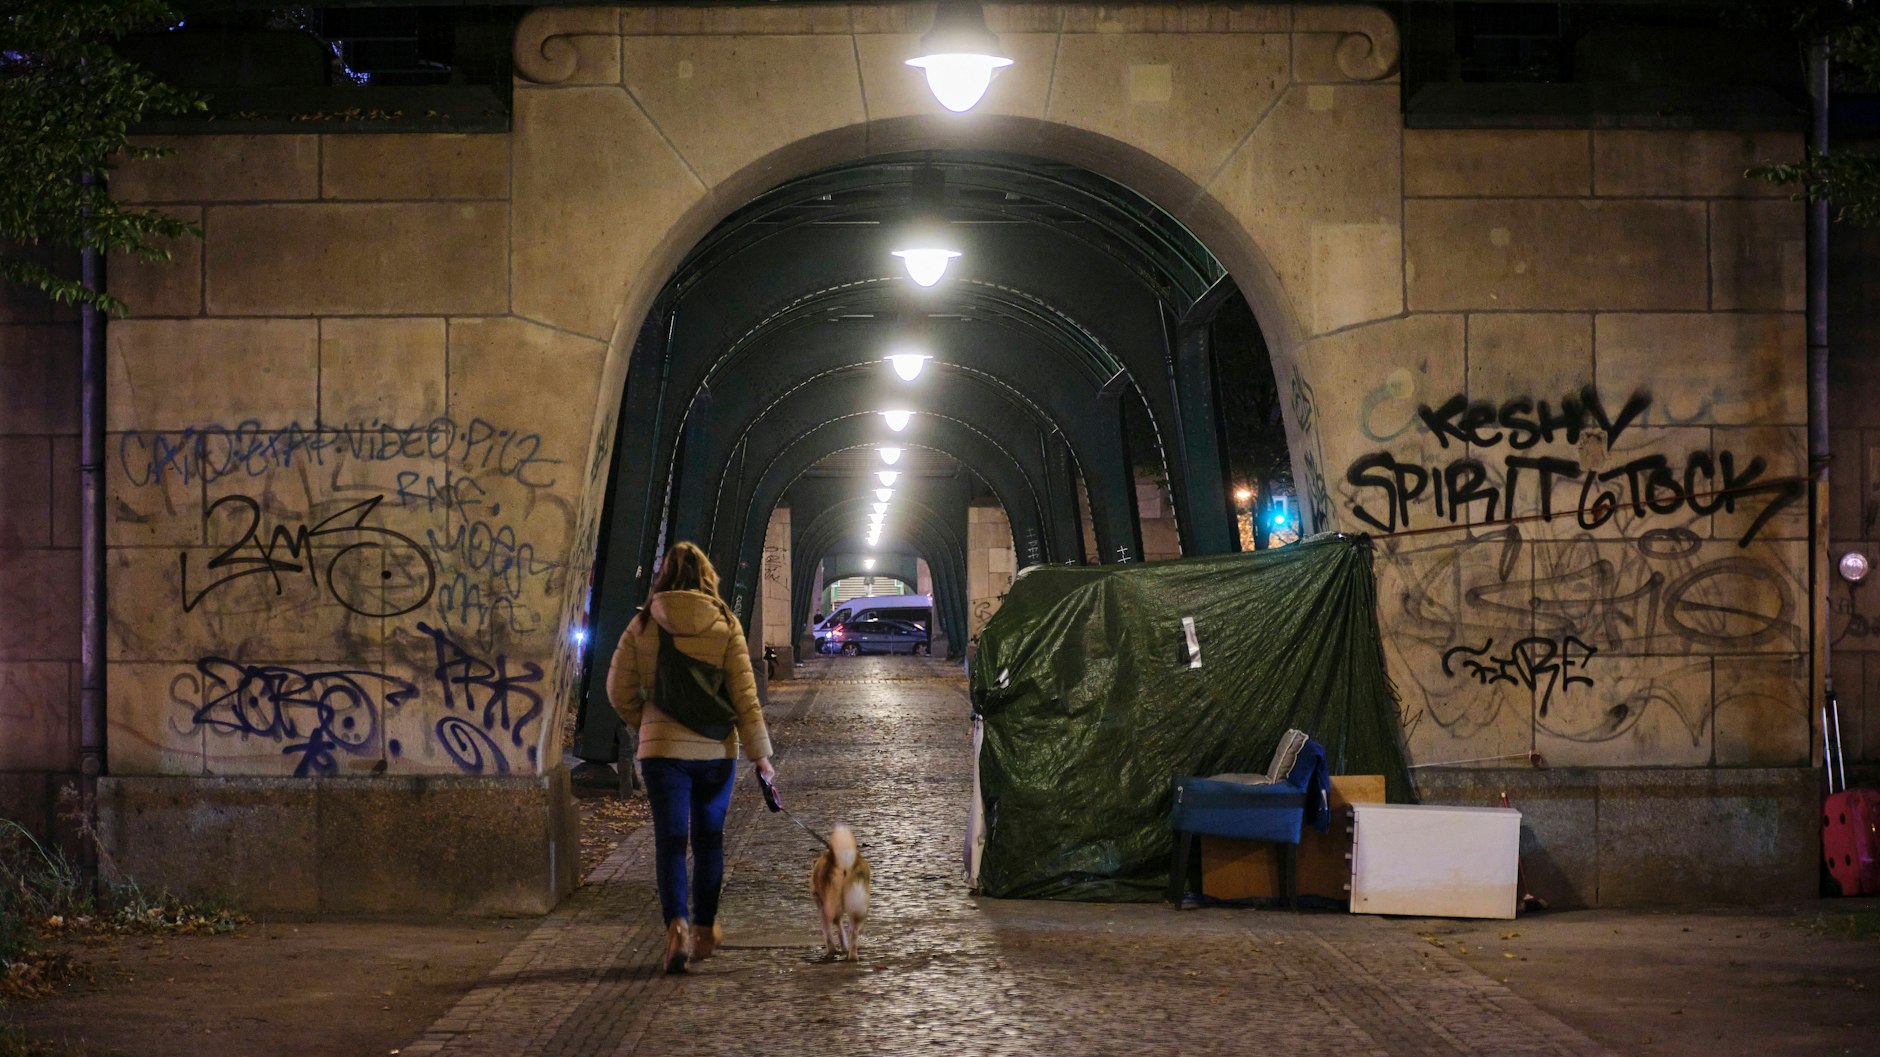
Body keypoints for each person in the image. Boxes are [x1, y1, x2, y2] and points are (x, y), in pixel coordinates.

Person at [608, 541, 776, 975]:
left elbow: (617, 689)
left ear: (664, 576)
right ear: (707, 576)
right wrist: (761, 756)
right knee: (708, 842)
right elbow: (745, 696)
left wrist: (646, 722)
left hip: (662, 754)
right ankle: (704, 929)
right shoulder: (725, 623)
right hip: (716, 752)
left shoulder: (642, 625)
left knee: (668, 843)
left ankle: (676, 928)